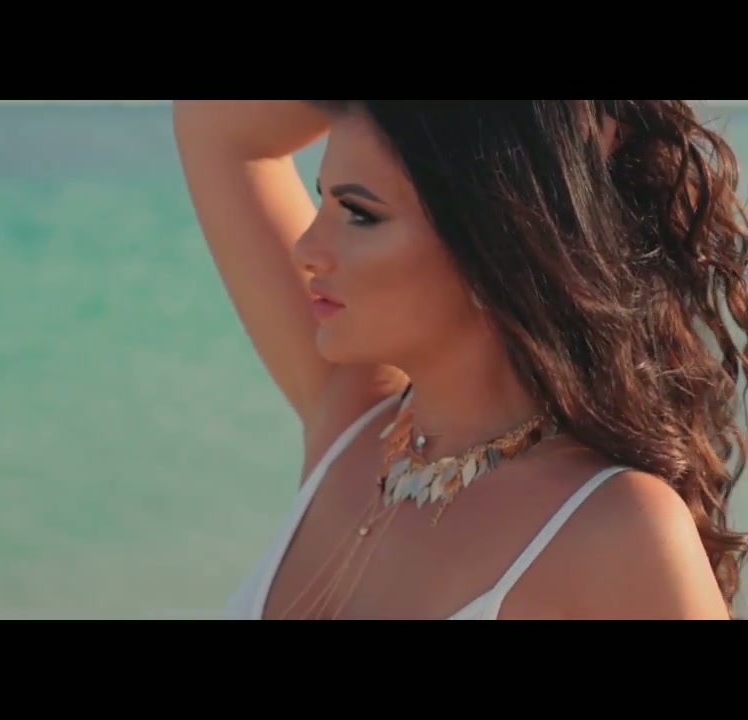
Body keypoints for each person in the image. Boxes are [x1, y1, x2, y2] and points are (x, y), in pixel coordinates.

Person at [173, 100, 748, 620]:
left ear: (496, 242)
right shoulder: (352, 424)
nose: (307, 250)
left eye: (360, 213)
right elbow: (214, 120)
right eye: (323, 198)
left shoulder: (617, 528)